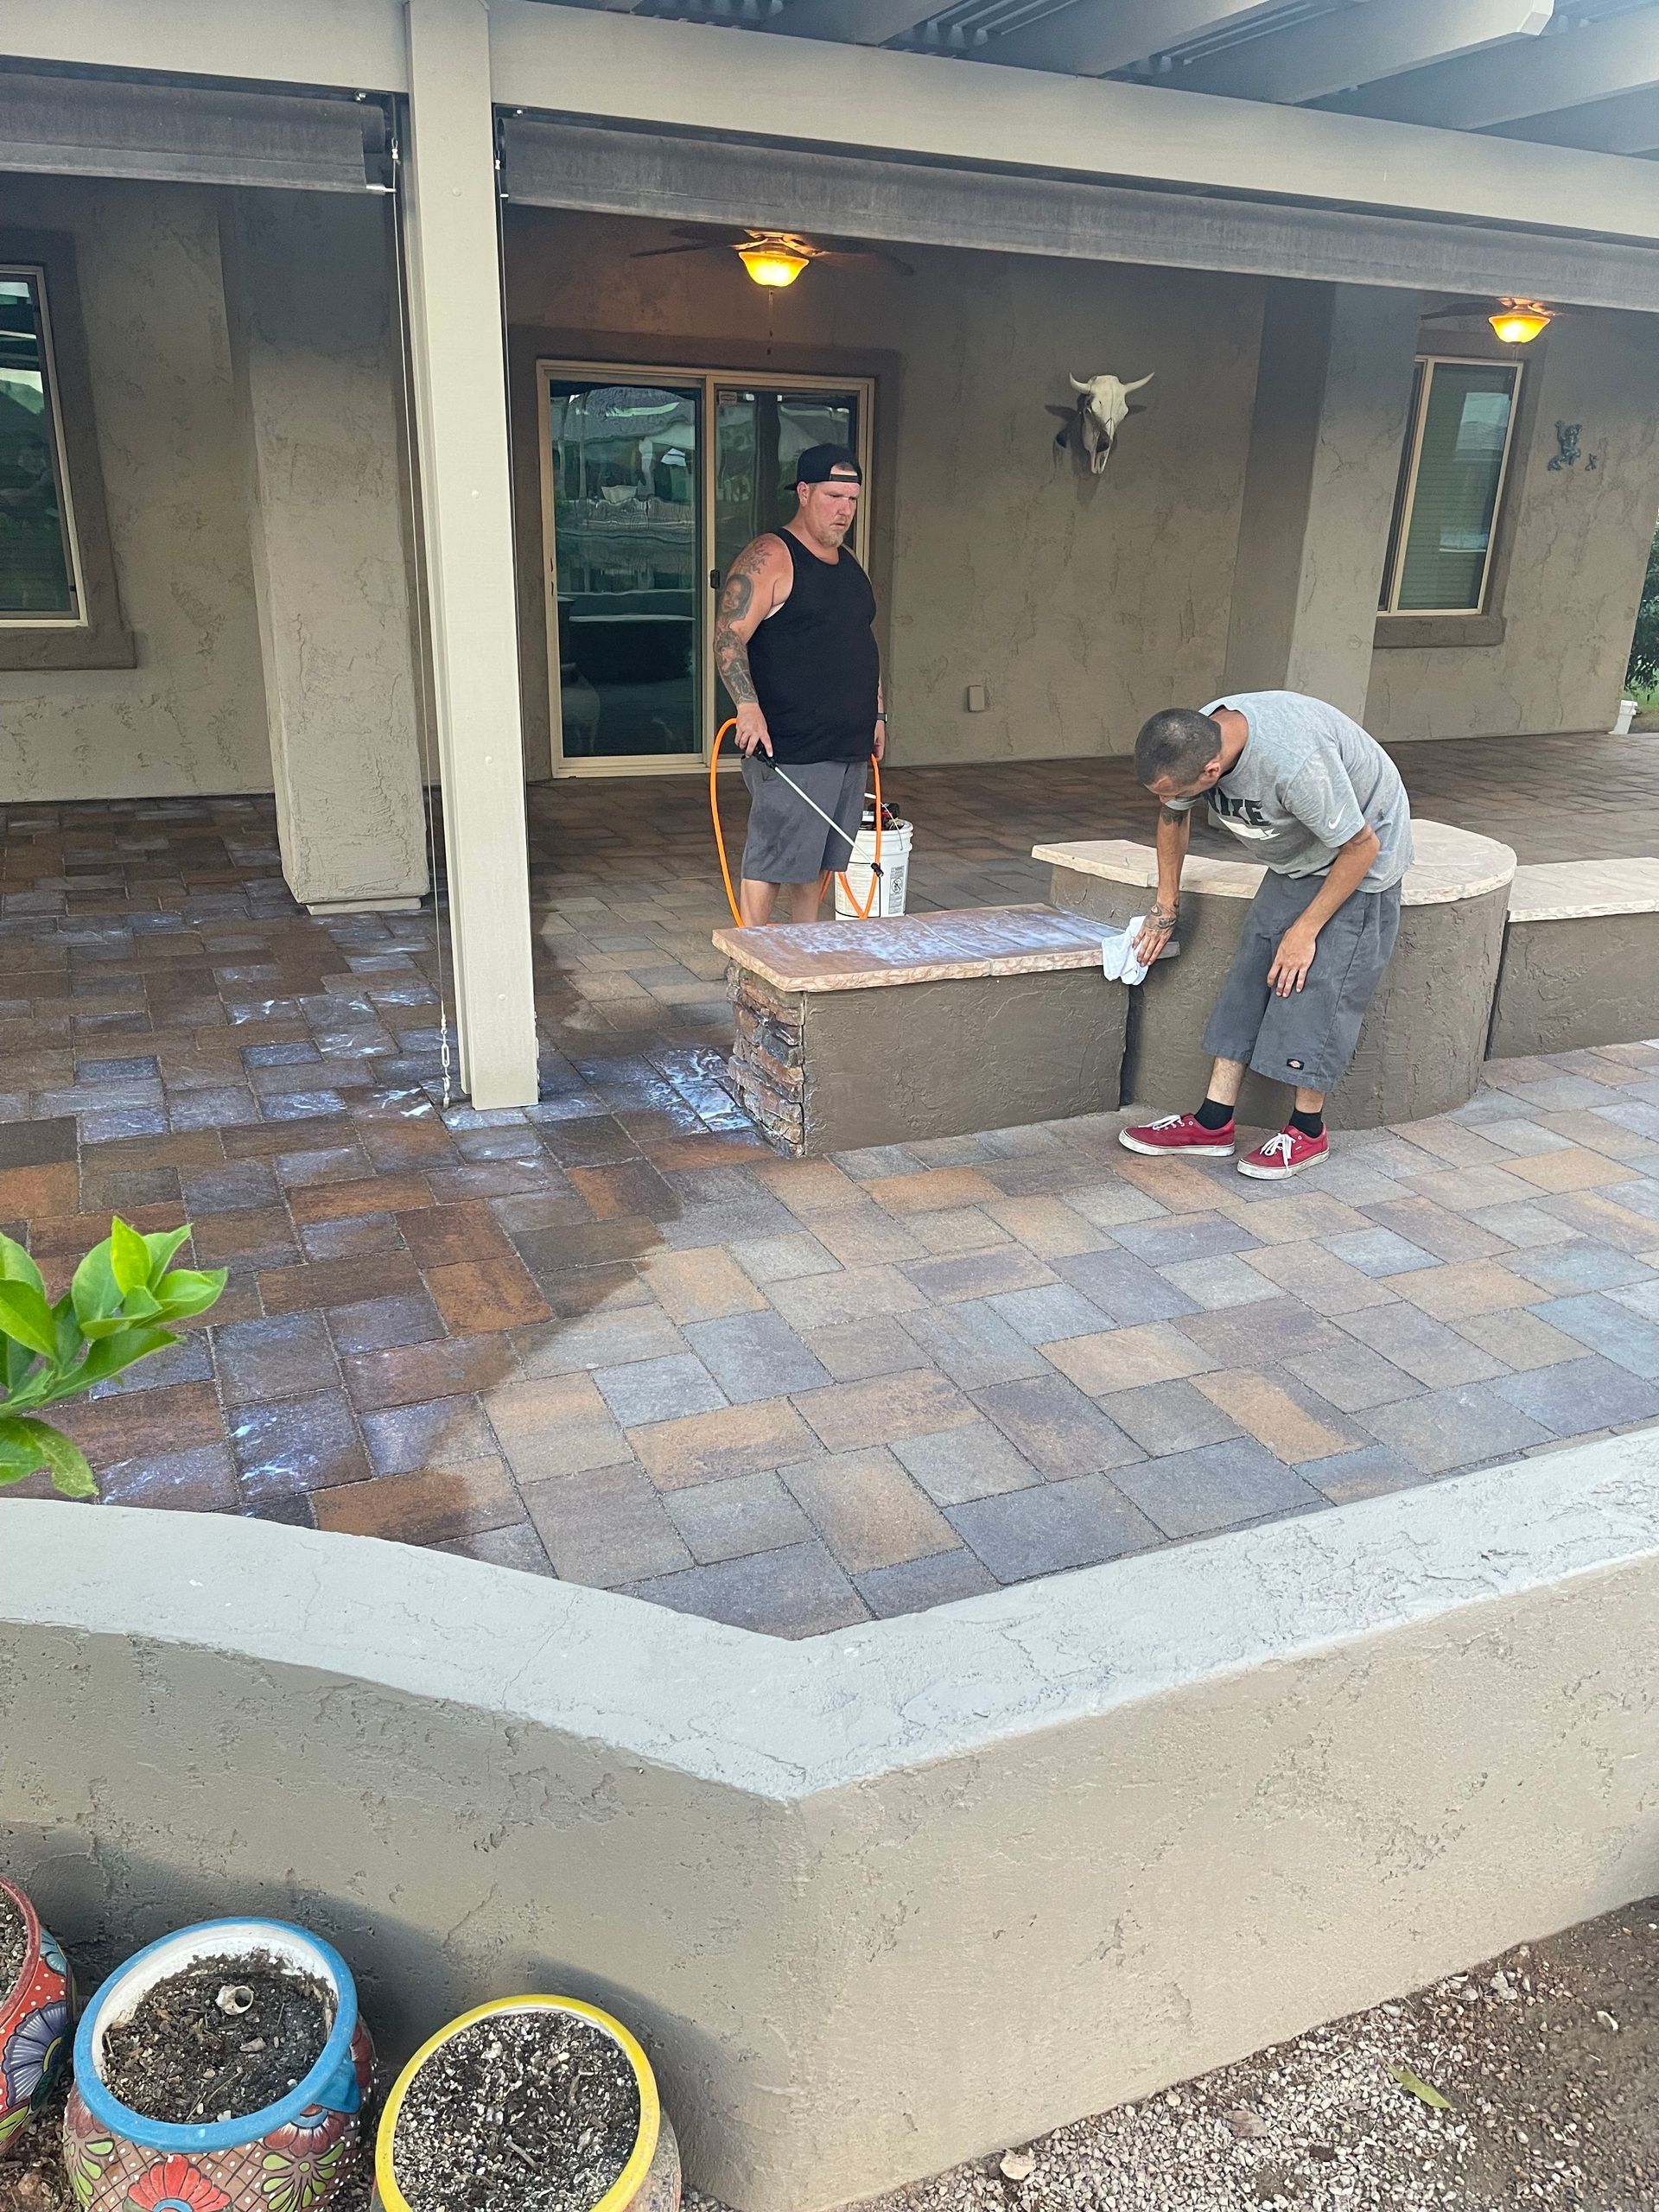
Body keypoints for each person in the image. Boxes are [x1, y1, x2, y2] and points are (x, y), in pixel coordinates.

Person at [1118, 691, 1413, 1179]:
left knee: (1315, 986)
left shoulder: (1295, 763)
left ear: (1212, 771)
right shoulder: (1197, 735)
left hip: (1361, 863)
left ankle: (1308, 1131)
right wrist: (1165, 907)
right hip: (1298, 862)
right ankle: (1213, 1123)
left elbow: (1363, 847)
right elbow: (1173, 816)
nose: (1169, 799)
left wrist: (1306, 929)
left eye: (1174, 789)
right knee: (1250, 978)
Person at [713, 444, 886, 925]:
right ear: (804, 492)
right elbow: (728, 635)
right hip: (792, 745)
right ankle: (753, 961)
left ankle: (804, 961)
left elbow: (859, 640)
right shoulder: (771, 555)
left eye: (852, 499)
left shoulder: (848, 563)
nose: (844, 510)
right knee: (772, 857)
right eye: (834, 497)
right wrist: (747, 708)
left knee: (815, 866)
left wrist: (876, 712)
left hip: (845, 743)